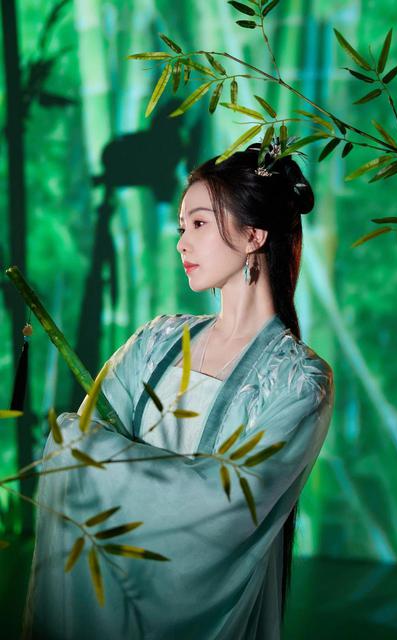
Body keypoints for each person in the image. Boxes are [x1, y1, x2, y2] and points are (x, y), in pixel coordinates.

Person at [21, 139, 335, 639]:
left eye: (199, 224)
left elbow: (224, 506)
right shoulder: (156, 341)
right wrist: (80, 444)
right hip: (113, 592)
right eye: (181, 227)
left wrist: (100, 454)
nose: (182, 243)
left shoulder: (298, 380)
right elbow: (79, 441)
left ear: (253, 235)